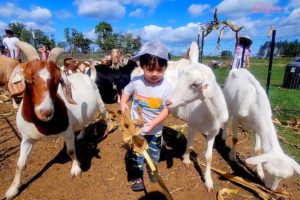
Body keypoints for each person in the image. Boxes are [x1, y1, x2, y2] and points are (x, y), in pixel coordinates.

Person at [120, 40, 173, 191]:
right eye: (150, 69)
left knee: (154, 155)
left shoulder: (167, 88)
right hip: (136, 130)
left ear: (165, 67)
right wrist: (123, 103)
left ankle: (151, 169)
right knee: (136, 156)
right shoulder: (137, 82)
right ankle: (137, 176)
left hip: (155, 131)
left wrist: (154, 123)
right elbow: (126, 92)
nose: (155, 74)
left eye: (159, 69)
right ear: (141, 66)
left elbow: (167, 110)